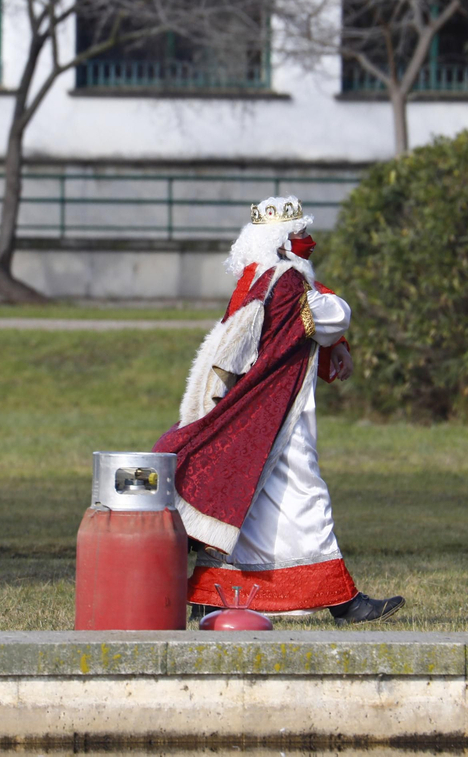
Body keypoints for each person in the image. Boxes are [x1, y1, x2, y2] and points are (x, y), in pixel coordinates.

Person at [154, 195, 404, 625]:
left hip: (258, 413)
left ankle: (212, 597)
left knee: (246, 509)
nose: (309, 241)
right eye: (301, 234)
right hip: (277, 414)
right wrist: (330, 314)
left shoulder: (255, 279)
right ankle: (343, 602)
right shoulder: (286, 281)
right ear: (284, 239)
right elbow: (332, 316)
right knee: (307, 498)